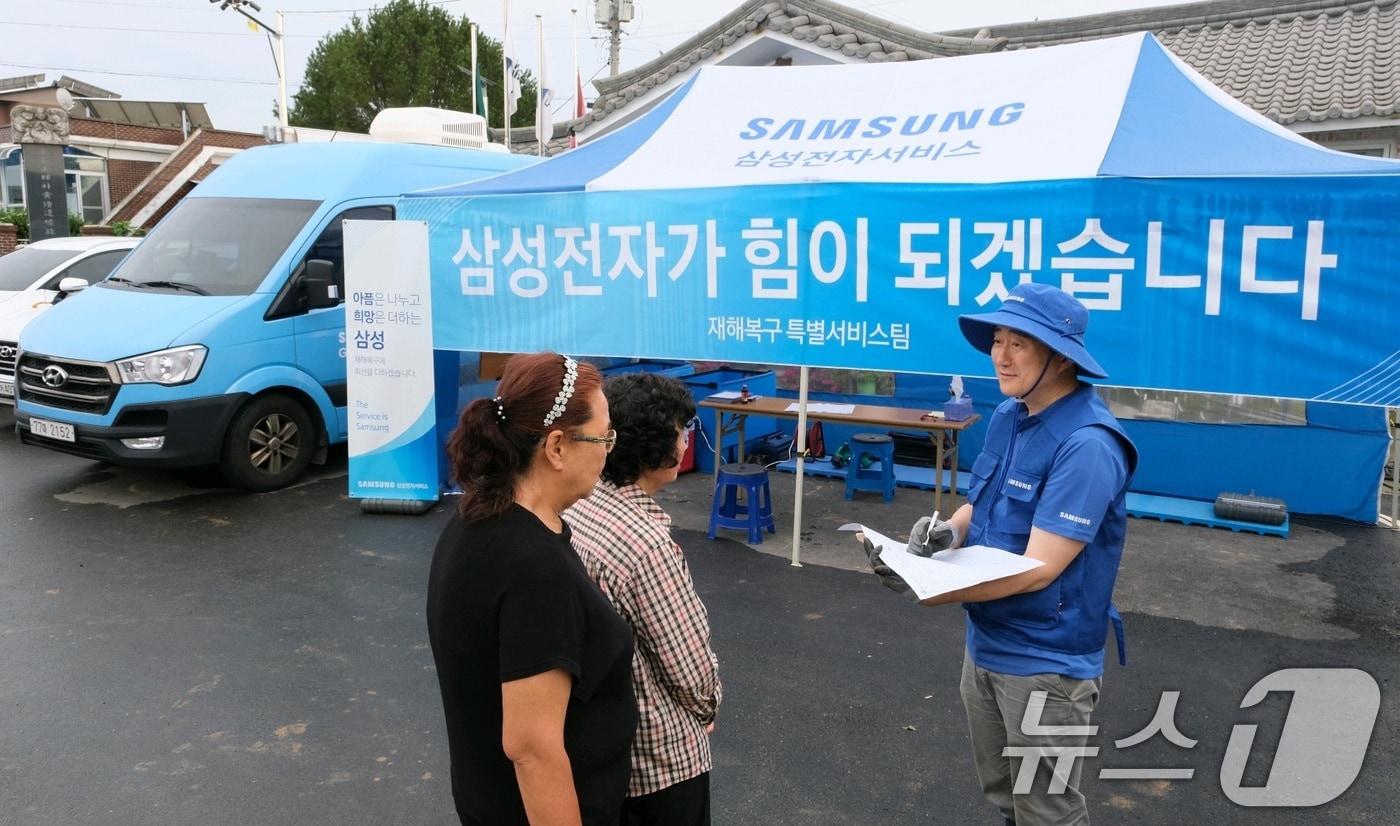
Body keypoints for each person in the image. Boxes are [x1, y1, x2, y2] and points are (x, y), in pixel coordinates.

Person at [864, 283, 1137, 826]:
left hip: (1046, 665)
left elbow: (1040, 569)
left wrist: (930, 584)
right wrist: (949, 533)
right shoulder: (1011, 415)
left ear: (1060, 358)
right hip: (986, 644)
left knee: (1048, 812)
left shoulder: (1088, 444)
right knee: (1005, 798)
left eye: (1021, 343)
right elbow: (982, 502)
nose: (1001, 356)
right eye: (998, 340)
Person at [426, 352, 638, 826]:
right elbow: (532, 749)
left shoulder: (474, 521)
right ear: (556, 447)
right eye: (603, 436)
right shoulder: (533, 565)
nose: (608, 449)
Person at [564, 372, 722, 826]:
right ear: (658, 444)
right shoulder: (645, 544)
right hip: (661, 760)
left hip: (604, 747)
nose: (686, 440)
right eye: (681, 430)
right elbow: (689, 667)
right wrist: (707, 707)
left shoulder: (580, 504)